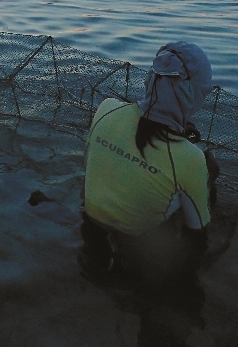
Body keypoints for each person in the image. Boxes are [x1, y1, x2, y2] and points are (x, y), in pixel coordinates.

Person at [82, 41, 219, 285]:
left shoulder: (107, 108)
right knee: (207, 173)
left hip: (91, 221)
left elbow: (96, 160)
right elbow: (197, 229)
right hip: (138, 239)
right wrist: (208, 181)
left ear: (151, 78)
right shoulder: (191, 158)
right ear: (194, 94)